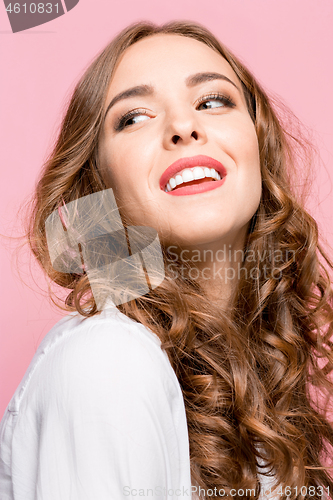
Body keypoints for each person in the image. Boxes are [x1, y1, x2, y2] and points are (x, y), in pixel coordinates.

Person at [1, 20, 333, 500]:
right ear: (99, 188)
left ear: (258, 146)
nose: (183, 126)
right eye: (133, 117)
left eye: (213, 101)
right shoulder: (109, 359)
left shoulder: (257, 380)